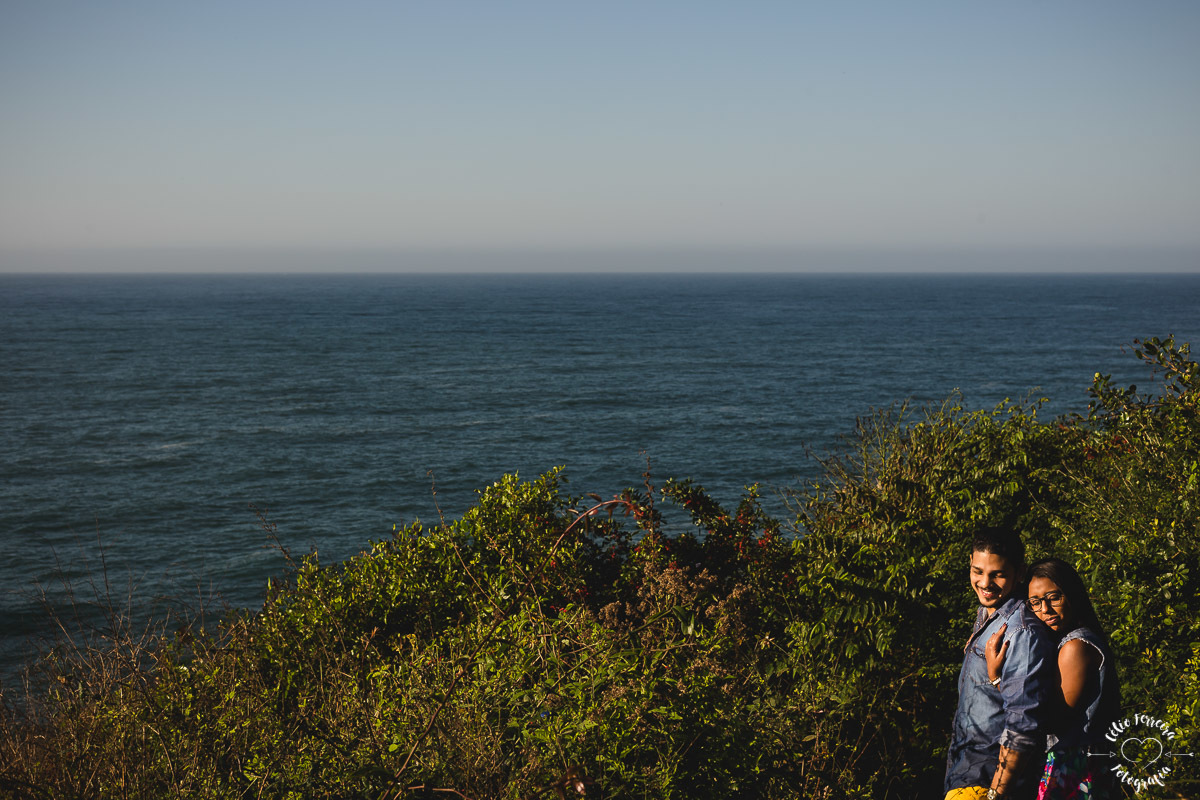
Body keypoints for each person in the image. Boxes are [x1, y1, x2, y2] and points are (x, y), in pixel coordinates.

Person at [985, 558, 1121, 799]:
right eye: (1035, 602)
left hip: (1075, 768)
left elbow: (1051, 720)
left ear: (1072, 595)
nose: (1044, 610)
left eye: (1054, 598)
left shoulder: (1075, 647)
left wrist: (997, 679)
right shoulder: (1070, 642)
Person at [945, 527, 1056, 800]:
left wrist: (997, 793)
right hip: (964, 767)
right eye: (978, 571)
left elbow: (1023, 723)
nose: (985, 583)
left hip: (986, 778)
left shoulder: (1020, 632)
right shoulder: (987, 613)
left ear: (1019, 573)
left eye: (998, 574)